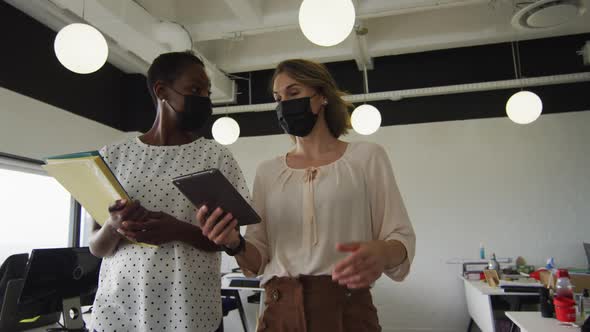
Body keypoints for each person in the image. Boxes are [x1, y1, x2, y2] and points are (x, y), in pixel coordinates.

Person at [198, 59, 416, 331]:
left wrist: (382, 252)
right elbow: (258, 259)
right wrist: (234, 244)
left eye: (294, 93)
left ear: (321, 96)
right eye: (278, 98)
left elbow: (400, 237)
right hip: (279, 311)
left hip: (347, 310)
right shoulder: (268, 172)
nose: (284, 104)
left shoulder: (367, 158)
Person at [88, 51, 249, 332]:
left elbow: (230, 241)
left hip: (191, 312)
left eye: (207, 93)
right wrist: (114, 226)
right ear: (161, 90)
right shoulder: (113, 157)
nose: (204, 99)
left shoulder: (215, 157)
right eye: (195, 89)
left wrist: (179, 231)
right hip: (121, 313)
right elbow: (96, 247)